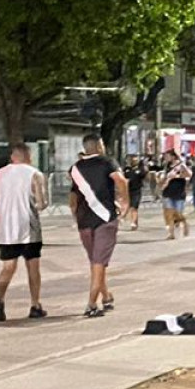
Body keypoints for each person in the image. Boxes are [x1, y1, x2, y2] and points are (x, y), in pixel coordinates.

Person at [0, 142, 49, 322]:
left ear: (12, 157)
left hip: (6, 228)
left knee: (8, 267)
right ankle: (35, 304)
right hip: (29, 227)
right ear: (28, 156)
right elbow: (42, 203)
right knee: (33, 267)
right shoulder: (35, 174)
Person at [69, 132, 127, 318]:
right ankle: (91, 303)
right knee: (99, 263)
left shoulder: (75, 169)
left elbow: (72, 199)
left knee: (95, 262)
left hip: (84, 221)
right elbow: (121, 180)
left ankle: (107, 297)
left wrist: (76, 216)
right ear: (99, 146)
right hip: (104, 219)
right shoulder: (107, 162)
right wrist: (125, 203)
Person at [160, 151, 191, 239]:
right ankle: (171, 234)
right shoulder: (166, 166)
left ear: (173, 157)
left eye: (167, 156)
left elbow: (189, 174)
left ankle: (184, 222)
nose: (166, 158)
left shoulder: (181, 165)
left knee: (178, 214)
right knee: (169, 213)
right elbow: (165, 176)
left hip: (179, 192)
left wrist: (177, 176)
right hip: (167, 192)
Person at [123, 154, 147, 231]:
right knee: (129, 208)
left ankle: (133, 223)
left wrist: (145, 168)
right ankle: (135, 222)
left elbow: (145, 176)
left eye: (135, 159)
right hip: (127, 191)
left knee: (134, 207)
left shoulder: (140, 169)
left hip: (136, 191)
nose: (133, 160)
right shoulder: (126, 169)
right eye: (132, 159)